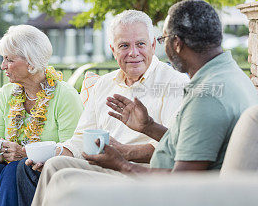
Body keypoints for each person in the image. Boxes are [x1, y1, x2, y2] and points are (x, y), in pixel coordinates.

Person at [31, 0, 258, 206]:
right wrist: (149, 126)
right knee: (58, 172)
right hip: (179, 183)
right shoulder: (230, 77)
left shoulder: (205, 98)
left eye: (162, 39)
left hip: (167, 192)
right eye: (124, 46)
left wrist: (121, 163)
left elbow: (181, 184)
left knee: (63, 184)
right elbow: (191, 142)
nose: (161, 47)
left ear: (176, 43)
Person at [17, 10, 189, 206]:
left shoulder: (175, 83)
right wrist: (54, 152)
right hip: (105, 166)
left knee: (60, 175)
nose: (133, 52)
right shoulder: (105, 84)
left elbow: (173, 146)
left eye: (140, 44)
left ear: (152, 45)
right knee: (50, 164)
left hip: (141, 172)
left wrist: (124, 152)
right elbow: (82, 138)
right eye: (124, 45)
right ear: (113, 50)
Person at [0, 25, 83, 206]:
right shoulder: (7, 93)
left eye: (9, 60)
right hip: (12, 166)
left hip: (45, 168)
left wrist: (24, 153)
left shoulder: (65, 95)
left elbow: (71, 149)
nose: (3, 66)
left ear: (31, 61)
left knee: (14, 170)